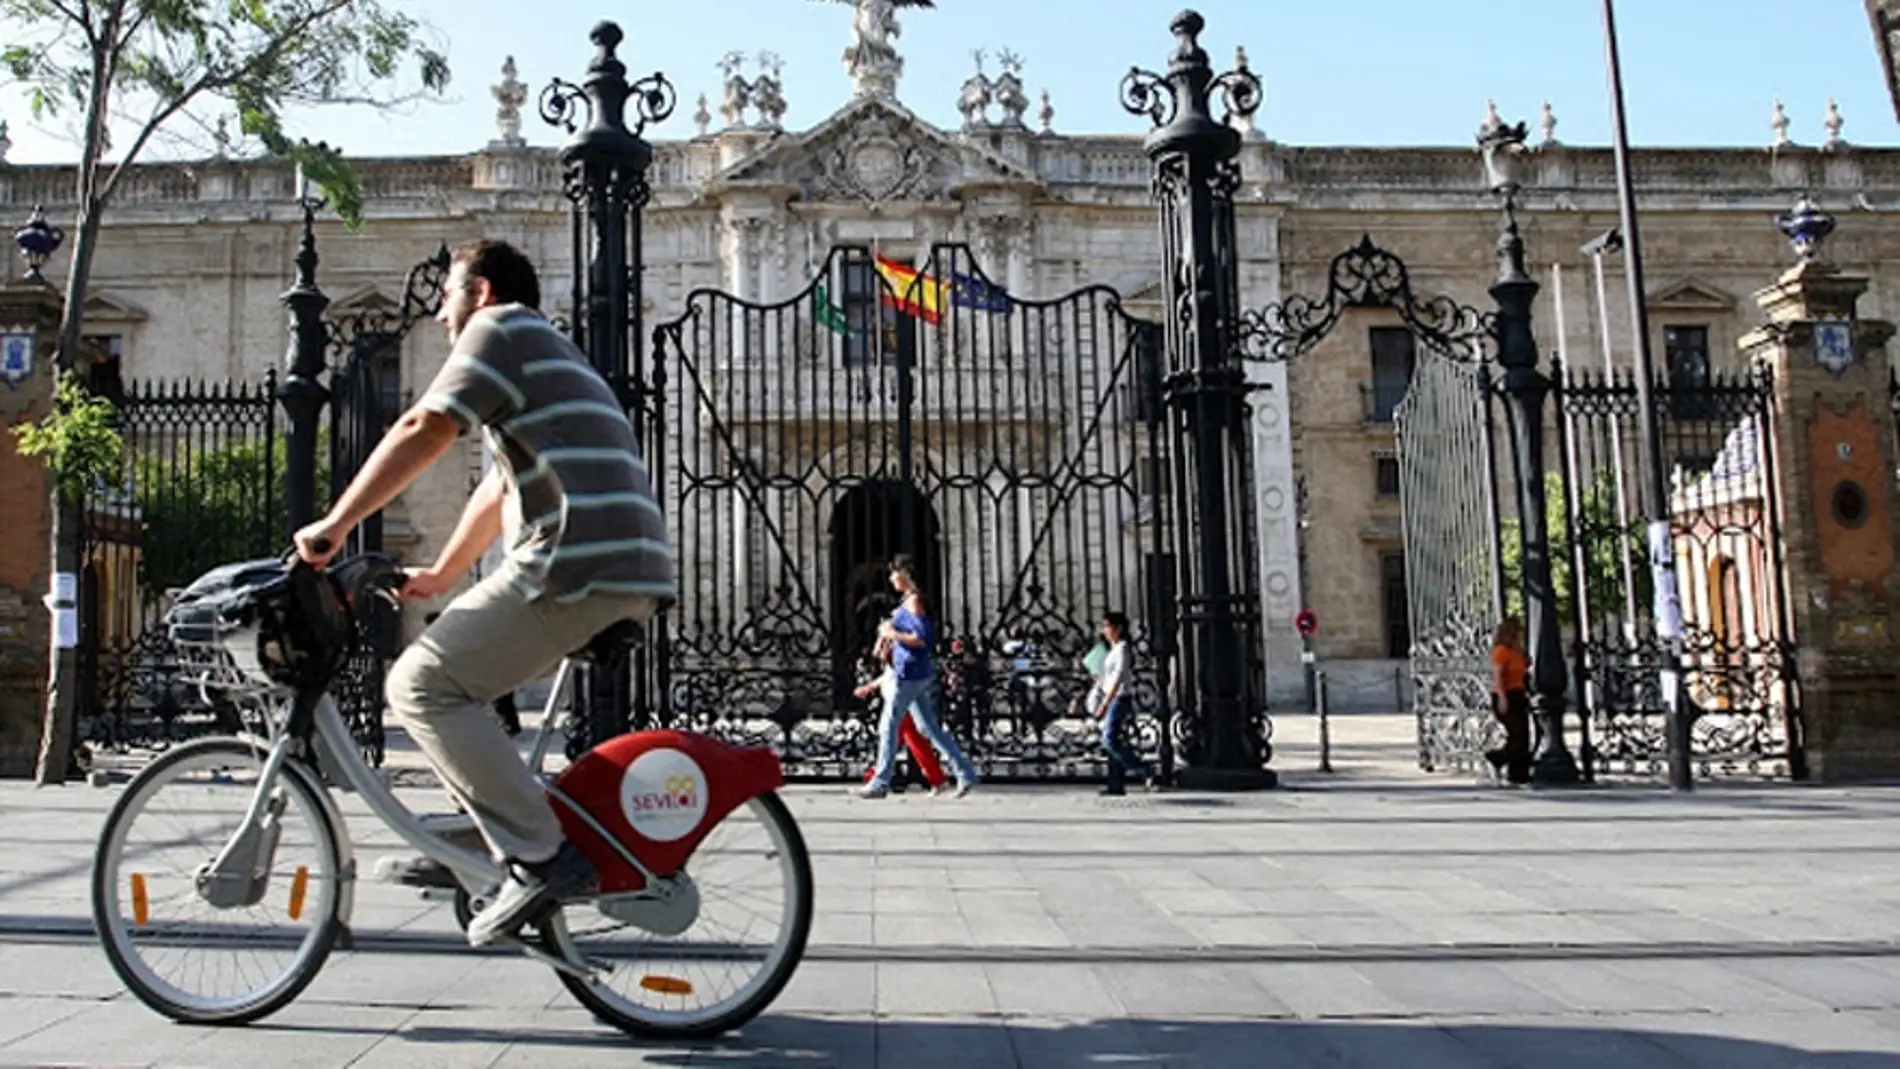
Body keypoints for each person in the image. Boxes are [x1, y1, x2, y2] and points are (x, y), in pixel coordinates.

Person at [294, 238, 676, 947]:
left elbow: (425, 426)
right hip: (621, 560)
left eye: (447, 296)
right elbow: (499, 487)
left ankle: (536, 853)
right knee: (449, 682)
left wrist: (335, 524)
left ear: (484, 291)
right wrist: (439, 574)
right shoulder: (544, 349)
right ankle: (486, 844)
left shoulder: (498, 330)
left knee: (418, 684)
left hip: (576, 557)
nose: (441, 316)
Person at [858, 555, 979, 799]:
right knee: (928, 728)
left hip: (909, 673)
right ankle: (965, 772)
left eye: (894, 573)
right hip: (913, 672)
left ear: (904, 574)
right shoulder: (907, 601)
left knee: (888, 726)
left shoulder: (914, 601)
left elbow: (922, 639)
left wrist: (892, 633)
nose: (891, 578)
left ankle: (881, 782)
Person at [855, 649, 948, 793]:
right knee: (916, 743)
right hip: (902, 705)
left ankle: (875, 778)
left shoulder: (900, 656)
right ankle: (938, 779)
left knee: (892, 741)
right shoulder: (897, 658)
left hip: (899, 705)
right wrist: (869, 688)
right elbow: (887, 676)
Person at [1088, 611, 1155, 796]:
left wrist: (1105, 702)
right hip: (1111, 697)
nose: (1104, 630)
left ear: (1118, 628)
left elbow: (1118, 677)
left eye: (1107, 626)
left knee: (1109, 740)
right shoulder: (1113, 649)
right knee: (1113, 740)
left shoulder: (1123, 648)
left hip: (1119, 698)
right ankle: (1115, 784)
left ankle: (1143, 769)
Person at [1487, 616, 1532, 786]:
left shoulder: (1518, 652)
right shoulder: (1501, 651)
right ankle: (1495, 758)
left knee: (1523, 736)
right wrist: (1502, 698)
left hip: (1519, 694)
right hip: (1506, 694)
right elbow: (1498, 676)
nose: (1522, 634)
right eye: (1520, 631)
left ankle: (1518, 775)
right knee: (1517, 735)